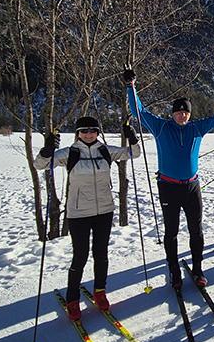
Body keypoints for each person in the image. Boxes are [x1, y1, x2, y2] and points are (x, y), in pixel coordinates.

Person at [125, 69, 214, 289]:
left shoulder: (197, 128)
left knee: (196, 230)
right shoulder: (160, 127)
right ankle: (173, 271)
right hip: (168, 187)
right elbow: (138, 111)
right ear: (172, 114)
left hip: (192, 187)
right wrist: (131, 86)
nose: (182, 115)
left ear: (189, 114)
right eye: (178, 112)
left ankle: (198, 270)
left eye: (186, 112)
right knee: (171, 231)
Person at [34, 116, 141, 320]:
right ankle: (72, 299)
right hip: (79, 214)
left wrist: (132, 137)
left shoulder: (106, 150)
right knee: (80, 256)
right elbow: (40, 165)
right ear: (78, 133)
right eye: (84, 131)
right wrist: (47, 149)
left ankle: (100, 292)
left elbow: (134, 154)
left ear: (98, 132)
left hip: (104, 211)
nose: (89, 134)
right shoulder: (70, 153)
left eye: (93, 130)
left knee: (101, 254)